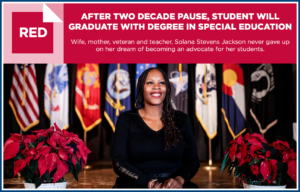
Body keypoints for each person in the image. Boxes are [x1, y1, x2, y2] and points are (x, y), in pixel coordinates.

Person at [112, 67, 200, 188]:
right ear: (141, 87)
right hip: (135, 184)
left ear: (167, 88)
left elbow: (193, 161)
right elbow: (119, 163)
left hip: (174, 187)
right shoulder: (127, 119)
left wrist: (179, 180)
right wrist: (151, 183)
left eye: (161, 82)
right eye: (150, 82)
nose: (156, 86)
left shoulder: (182, 119)